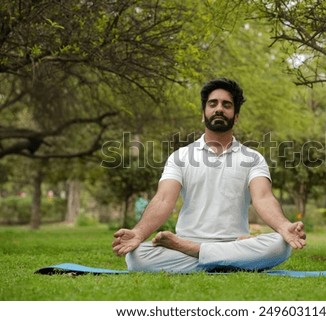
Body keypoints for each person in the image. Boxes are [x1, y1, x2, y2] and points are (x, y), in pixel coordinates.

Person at [112, 78, 306, 273]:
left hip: (226, 243)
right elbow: (163, 199)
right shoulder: (180, 156)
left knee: (280, 246)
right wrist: (138, 233)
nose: (219, 109)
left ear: (236, 116)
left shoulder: (253, 158)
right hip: (195, 244)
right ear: (203, 114)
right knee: (136, 257)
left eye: (226, 105)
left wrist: (283, 226)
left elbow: (263, 198)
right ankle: (231, 261)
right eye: (213, 104)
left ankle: (200, 253)